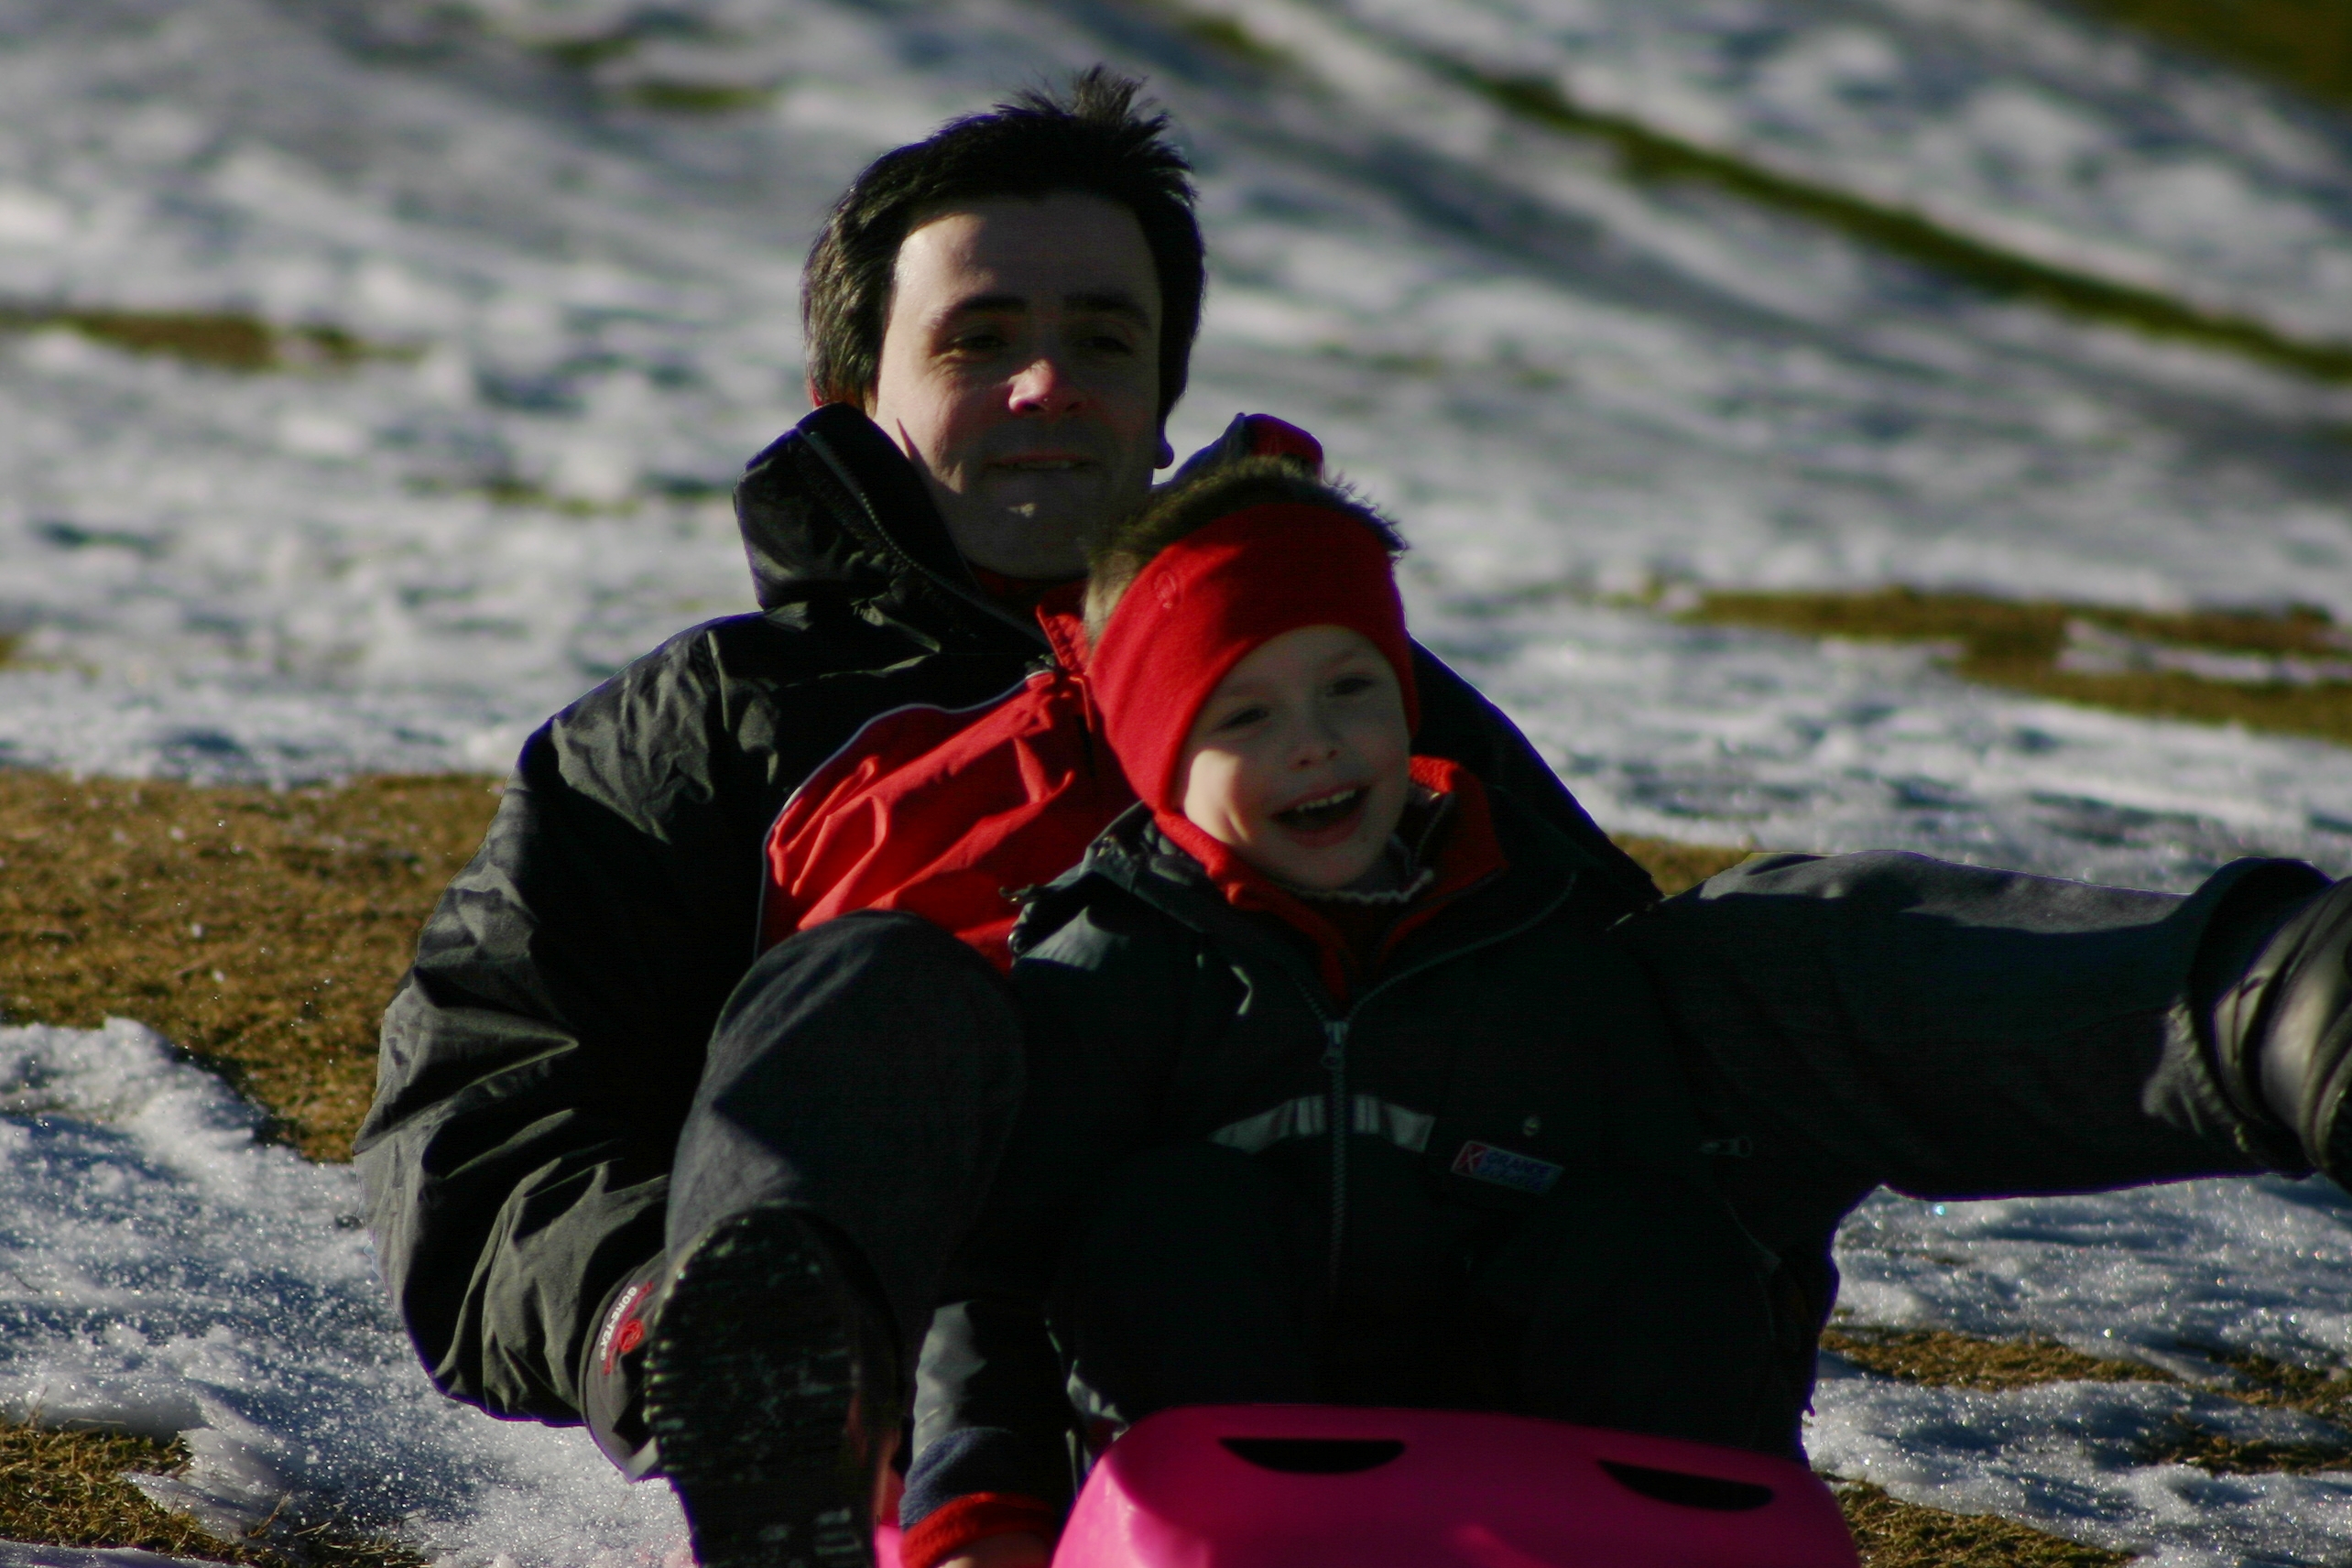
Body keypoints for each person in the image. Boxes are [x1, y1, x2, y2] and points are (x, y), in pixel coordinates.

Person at [353, 69, 1653, 1568]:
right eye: (978, 340)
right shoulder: (722, 724)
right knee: (884, 984)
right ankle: (795, 1413)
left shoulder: (1340, 691)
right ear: (858, 397)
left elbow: (1611, 993)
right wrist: (650, 1313)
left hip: (1358, 1380)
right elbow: (491, 1097)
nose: (1049, 384)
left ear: (1161, 404)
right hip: (935, 1394)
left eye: (1103, 338)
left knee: (1795, 948)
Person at [876, 462, 2352, 1568]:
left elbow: (1687, 1212)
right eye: (1244, 715)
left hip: (1505, 1467)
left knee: (1645, 1229)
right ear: (1154, 765)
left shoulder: (1537, 935)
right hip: (1211, 1479)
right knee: (1166, 1218)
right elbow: (992, 1280)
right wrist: (978, 1504)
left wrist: (1723, 1334)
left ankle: (1681, 1542)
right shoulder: (1110, 968)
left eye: (1350, 688)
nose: (1316, 743)